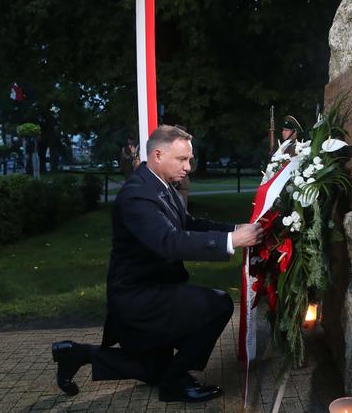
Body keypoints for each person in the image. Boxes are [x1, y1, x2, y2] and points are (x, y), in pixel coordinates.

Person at [51, 125, 264, 403]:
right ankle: (175, 382)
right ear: (158, 155)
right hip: (137, 297)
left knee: (152, 371)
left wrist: (235, 228)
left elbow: (189, 224)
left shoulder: (160, 185)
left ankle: (75, 353)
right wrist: (231, 241)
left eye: (190, 159)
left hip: (155, 290)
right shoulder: (137, 195)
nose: (189, 167)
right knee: (218, 303)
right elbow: (168, 241)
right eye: (182, 159)